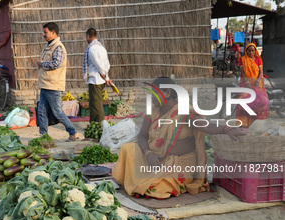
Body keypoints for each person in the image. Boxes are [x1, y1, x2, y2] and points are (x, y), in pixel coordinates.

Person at [112, 77, 246, 199]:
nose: (151, 97)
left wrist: (226, 129)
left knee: (157, 189)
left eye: (155, 93)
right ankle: (139, 179)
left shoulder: (184, 111)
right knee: (127, 148)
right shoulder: (153, 111)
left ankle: (142, 181)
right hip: (154, 159)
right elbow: (142, 135)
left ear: (168, 93)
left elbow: (204, 125)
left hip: (179, 164)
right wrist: (148, 153)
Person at [37, 22, 78, 141]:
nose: (43, 34)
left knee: (57, 112)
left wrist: (41, 63)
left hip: (53, 85)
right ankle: (43, 136)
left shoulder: (58, 47)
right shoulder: (48, 46)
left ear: (53, 32)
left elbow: (57, 63)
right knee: (41, 111)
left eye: (46, 32)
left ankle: (73, 132)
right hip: (45, 84)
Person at [83, 28, 112, 122]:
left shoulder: (92, 48)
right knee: (94, 104)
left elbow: (98, 64)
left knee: (97, 105)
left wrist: (103, 73)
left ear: (88, 36)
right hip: (101, 80)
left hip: (95, 80)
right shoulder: (102, 48)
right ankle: (93, 124)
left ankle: (99, 125)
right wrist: (106, 76)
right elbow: (107, 64)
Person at [236, 43, 269, 128]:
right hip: (246, 83)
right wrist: (247, 82)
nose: (251, 52)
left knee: (258, 101)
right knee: (245, 102)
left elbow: (260, 72)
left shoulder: (258, 59)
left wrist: (257, 81)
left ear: (255, 51)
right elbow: (242, 72)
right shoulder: (243, 59)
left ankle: (257, 123)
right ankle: (245, 124)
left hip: (257, 83)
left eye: (252, 50)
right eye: (249, 50)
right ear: (246, 51)